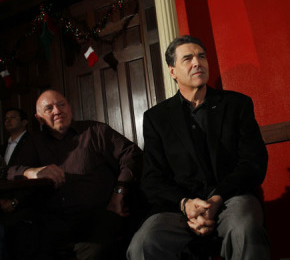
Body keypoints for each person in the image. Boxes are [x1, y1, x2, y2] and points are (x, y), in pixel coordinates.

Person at [126, 35, 270, 260]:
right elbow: (152, 179)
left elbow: (253, 162)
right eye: (188, 58)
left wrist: (217, 199)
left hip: (230, 199)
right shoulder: (156, 118)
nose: (197, 62)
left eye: (201, 56)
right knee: (143, 244)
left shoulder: (237, 104)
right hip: (180, 208)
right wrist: (185, 205)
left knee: (244, 228)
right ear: (172, 71)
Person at [6, 90, 143, 260]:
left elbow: (132, 154)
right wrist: (32, 172)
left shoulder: (95, 131)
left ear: (70, 108)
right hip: (52, 220)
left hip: (98, 215)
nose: (57, 111)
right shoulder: (34, 143)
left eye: (61, 104)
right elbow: (11, 171)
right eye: (49, 108)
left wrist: (119, 193)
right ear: (39, 118)